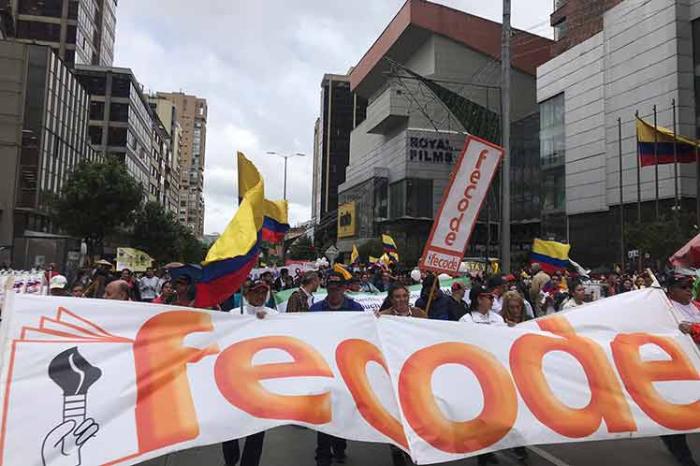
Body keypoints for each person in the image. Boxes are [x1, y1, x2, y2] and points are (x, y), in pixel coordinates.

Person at [221, 279, 276, 466]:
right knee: (230, 423)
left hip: (261, 380)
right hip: (235, 377)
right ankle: (231, 459)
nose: (260, 296)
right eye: (256, 292)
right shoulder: (234, 314)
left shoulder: (274, 315)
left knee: (257, 426)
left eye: (263, 292)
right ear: (246, 294)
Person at [309, 273, 362, 466]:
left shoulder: (356, 309)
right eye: (331, 287)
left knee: (341, 410)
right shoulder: (315, 310)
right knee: (323, 412)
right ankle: (322, 455)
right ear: (327, 288)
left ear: (343, 288)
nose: (334, 291)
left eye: (337, 287)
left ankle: (340, 446)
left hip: (346, 369)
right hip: (323, 367)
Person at [662, 275, 699, 466]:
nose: (688, 289)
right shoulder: (664, 310)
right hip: (678, 371)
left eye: (691, 286)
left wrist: (693, 329)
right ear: (671, 290)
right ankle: (683, 455)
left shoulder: (697, 306)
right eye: (683, 286)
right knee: (679, 412)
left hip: (697, 367)